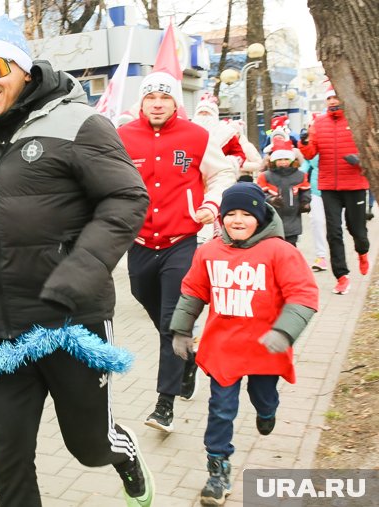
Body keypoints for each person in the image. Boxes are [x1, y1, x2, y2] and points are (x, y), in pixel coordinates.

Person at [0, 16, 154, 507]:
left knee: (89, 447)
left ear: (24, 69)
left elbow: (127, 198)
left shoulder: (80, 124)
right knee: (7, 459)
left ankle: (124, 456)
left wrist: (79, 272)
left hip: (73, 325)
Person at [170, 182, 318, 506]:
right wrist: (180, 330)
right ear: (221, 218)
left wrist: (284, 332)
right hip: (224, 350)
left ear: (261, 216)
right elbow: (193, 291)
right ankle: (217, 469)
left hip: (265, 350)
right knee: (221, 410)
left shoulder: (280, 251)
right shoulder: (208, 252)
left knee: (262, 397)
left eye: (246, 213)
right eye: (230, 214)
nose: (237, 220)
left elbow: (303, 295)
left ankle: (268, 410)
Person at [117, 71, 236, 429]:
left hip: (181, 243)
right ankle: (187, 358)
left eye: (165, 98)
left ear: (175, 103)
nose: (157, 103)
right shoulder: (121, 137)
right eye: (151, 97)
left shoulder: (196, 136)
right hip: (139, 243)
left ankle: (164, 405)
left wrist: (212, 204)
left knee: (172, 322)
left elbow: (223, 173)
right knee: (146, 299)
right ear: (141, 102)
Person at [300, 82, 371, 294]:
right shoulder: (318, 123)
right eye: (329, 98)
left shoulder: (358, 120)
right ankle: (341, 276)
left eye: (336, 97)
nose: (333, 101)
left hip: (355, 183)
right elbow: (310, 154)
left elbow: (371, 147)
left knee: (356, 228)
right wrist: (304, 143)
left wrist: (360, 159)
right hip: (328, 186)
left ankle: (363, 251)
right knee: (334, 232)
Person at [256, 137, 311, 246]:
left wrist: (305, 202)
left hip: (293, 218)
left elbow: (305, 190)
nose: (283, 162)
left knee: (291, 246)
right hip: (272, 219)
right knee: (273, 246)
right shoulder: (265, 176)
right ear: (274, 161)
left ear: (291, 160)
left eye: (286, 159)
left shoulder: (300, 176)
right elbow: (260, 194)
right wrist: (270, 200)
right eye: (279, 159)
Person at [192, 93, 246, 176]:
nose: (203, 115)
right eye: (201, 112)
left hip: (221, 175)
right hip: (194, 175)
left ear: (214, 115)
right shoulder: (188, 132)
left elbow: (240, 155)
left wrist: (227, 162)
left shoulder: (227, 133)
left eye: (207, 113)